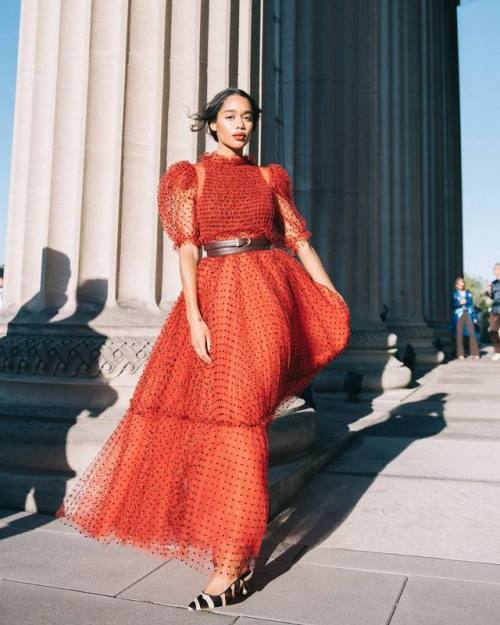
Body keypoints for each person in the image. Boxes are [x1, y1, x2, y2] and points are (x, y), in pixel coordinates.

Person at [55, 88, 350, 610]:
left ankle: (231, 564)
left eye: (248, 117)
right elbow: (187, 247)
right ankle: (232, 552)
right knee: (223, 427)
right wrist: (193, 314)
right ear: (211, 124)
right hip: (214, 300)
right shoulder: (188, 178)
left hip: (265, 302)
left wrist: (328, 294)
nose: (241, 125)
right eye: (230, 117)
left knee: (243, 422)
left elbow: (298, 239)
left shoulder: (269, 177)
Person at [451, 276, 480, 360]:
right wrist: (459, 303)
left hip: (468, 313)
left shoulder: (468, 293)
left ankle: (475, 353)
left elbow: (471, 304)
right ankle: (460, 354)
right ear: (456, 285)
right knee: (459, 334)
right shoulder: (455, 294)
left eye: (462, 282)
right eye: (460, 283)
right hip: (459, 314)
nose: (462, 284)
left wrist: (474, 317)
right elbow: (452, 305)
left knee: (472, 333)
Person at [487, 263, 500, 361]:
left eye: (498, 269)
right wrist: (489, 292)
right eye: (495, 270)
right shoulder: (493, 283)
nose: (496, 272)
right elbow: (492, 296)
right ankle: (497, 352)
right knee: (493, 331)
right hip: (495, 310)